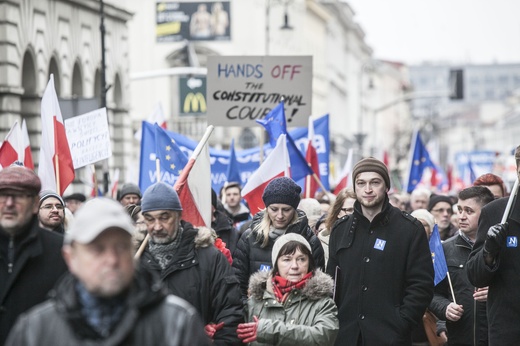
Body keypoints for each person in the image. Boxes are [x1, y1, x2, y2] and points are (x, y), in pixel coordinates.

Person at [6, 198, 210, 345]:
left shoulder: (177, 323)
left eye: (121, 247)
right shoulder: (35, 330)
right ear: (71, 258)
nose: (112, 260)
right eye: (97, 249)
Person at [326, 157, 434, 345]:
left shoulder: (409, 229)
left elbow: (421, 285)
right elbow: (331, 282)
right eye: (361, 183)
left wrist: (402, 322)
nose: (368, 189)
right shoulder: (340, 229)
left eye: (375, 182)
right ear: (355, 187)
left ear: (386, 187)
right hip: (347, 335)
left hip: (390, 336)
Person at [138, 182, 243, 345]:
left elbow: (230, 316)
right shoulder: (134, 263)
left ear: (179, 215)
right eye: (150, 219)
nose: (157, 226)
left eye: (164, 217)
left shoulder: (210, 258)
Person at [0, 166, 67, 345]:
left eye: (19, 196)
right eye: (3, 195)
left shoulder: (62, 251)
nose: (8, 203)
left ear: (35, 203)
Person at [233, 177, 325, 302]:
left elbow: (317, 286)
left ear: (295, 209)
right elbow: (238, 284)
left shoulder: (310, 240)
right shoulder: (249, 238)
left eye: (286, 210)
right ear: (266, 208)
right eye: (274, 209)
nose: (280, 215)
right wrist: (249, 310)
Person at [237, 233, 338, 345]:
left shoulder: (323, 303)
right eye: (287, 259)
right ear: (276, 264)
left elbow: (324, 337)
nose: (294, 266)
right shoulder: (256, 301)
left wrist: (271, 331)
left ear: (309, 263)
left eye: (301, 259)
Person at [466, 145, 520, 344]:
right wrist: (489, 250)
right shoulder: (496, 213)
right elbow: (474, 275)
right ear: (518, 169)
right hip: (509, 329)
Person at [430, 186, 494, 346]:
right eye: (459, 210)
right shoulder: (445, 248)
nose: (462, 216)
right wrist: (445, 307)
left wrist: (496, 293)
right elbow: (430, 293)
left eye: (469, 211)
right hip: (459, 337)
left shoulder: (501, 247)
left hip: (496, 336)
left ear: (486, 213)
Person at [318, 187, 356, 266]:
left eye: (358, 209)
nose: (354, 214)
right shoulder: (321, 244)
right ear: (338, 212)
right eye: (349, 210)